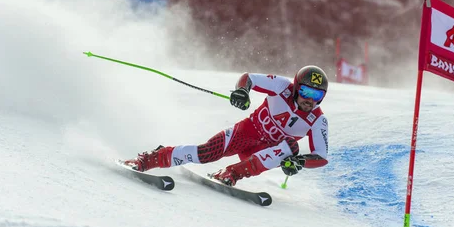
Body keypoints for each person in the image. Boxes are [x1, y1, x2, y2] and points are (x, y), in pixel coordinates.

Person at [125, 65, 330, 186]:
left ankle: (231, 174)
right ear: (296, 87)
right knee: (205, 153)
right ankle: (151, 159)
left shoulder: (317, 120)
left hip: (264, 152)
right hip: (246, 132)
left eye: (317, 95)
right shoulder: (282, 86)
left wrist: (299, 162)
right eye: (306, 92)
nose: (310, 100)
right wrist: (243, 92)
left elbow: (320, 156)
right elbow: (248, 78)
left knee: (291, 148)